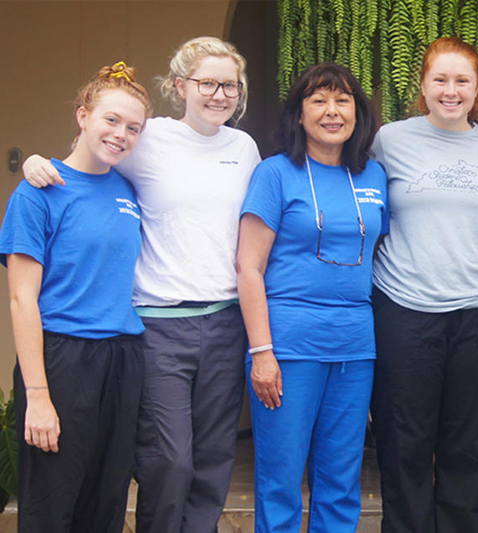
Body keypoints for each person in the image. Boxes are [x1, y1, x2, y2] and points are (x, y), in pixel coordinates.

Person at [22, 36, 261, 532]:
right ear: (181, 86)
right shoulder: (149, 137)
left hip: (223, 320)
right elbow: (87, 159)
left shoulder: (245, 148)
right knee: (168, 460)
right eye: (208, 83)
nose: (220, 94)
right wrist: (34, 164)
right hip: (157, 325)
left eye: (230, 86)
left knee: (213, 459)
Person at [236, 63, 386, 533]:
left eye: (342, 101)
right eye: (318, 100)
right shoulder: (275, 174)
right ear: (298, 115)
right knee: (280, 480)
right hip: (287, 346)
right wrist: (262, 351)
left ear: (358, 114)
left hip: (356, 347)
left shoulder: (375, 176)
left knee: (341, 481)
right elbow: (248, 267)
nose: (332, 111)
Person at [370, 37, 478, 533]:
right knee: (404, 441)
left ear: (477, 89)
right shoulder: (389, 139)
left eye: (462, 81)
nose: (451, 91)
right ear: (423, 85)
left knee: (468, 443)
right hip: (405, 308)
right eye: (440, 80)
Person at [2, 62, 150, 532]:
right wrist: (38, 396)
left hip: (123, 358)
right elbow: (23, 300)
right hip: (62, 359)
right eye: (111, 119)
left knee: (105, 501)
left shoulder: (131, 190)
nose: (121, 134)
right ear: (83, 116)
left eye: (133, 128)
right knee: (52, 503)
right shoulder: (37, 193)